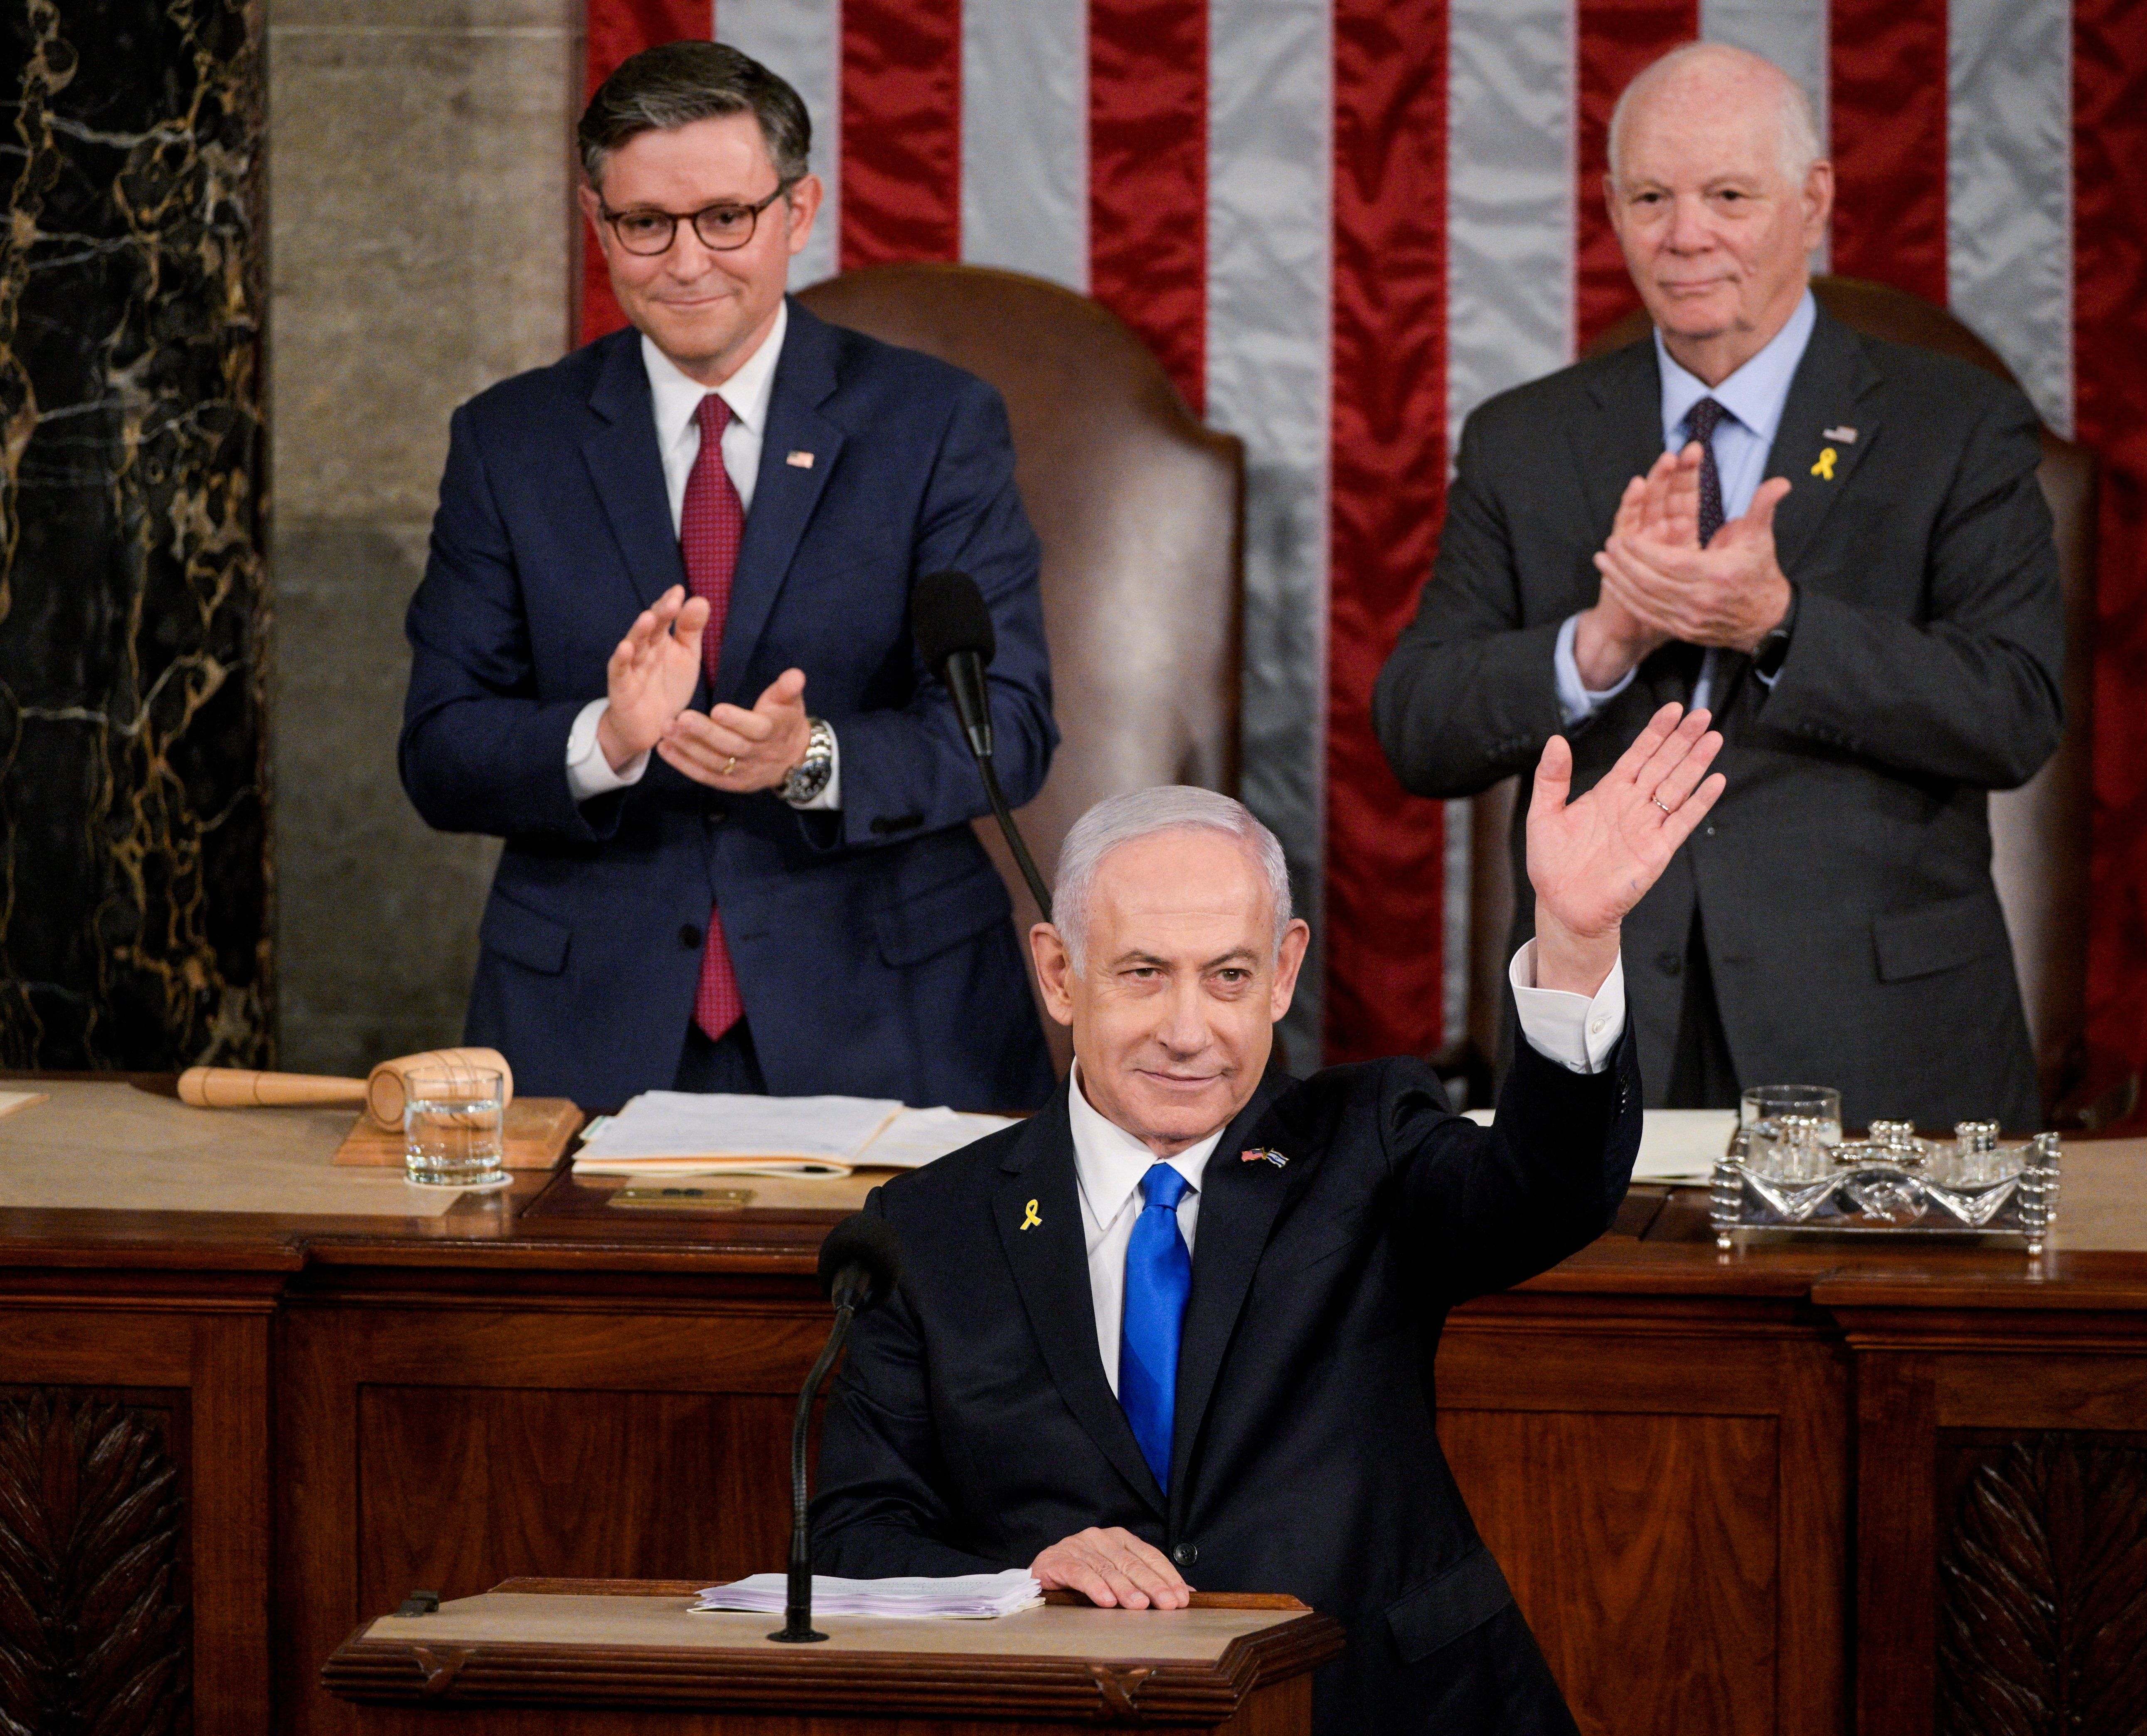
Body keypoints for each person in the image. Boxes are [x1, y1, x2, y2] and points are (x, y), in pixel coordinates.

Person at [812, 703, 1726, 1736]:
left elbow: (1544, 1194)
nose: (1188, 1031)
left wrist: (1572, 942)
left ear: (1284, 971)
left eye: (1230, 977)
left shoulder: (1366, 1144)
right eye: (1143, 973)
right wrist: (1020, 1575)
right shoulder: (925, 1231)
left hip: (1382, 1708)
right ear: (1059, 974)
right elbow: (854, 1538)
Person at [1374, 42, 2064, 1132]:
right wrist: (1598, 644)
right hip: (1608, 1028)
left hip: (1878, 1041)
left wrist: (1777, 625)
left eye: (1727, 196)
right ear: (1609, 207)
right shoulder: (1525, 438)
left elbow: (2014, 711)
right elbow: (1417, 728)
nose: (1684, 234)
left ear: (1812, 202)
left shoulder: (1953, 426)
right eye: (1650, 197)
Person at [399, 42, 1056, 1111]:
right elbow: (439, 748)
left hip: (888, 1014)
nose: (687, 261)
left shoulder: (933, 424)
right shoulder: (508, 441)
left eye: (725, 217)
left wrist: (811, 757)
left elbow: (1008, 729)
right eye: (645, 224)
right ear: (595, 220)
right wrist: (603, 741)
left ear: (798, 213)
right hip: (589, 1030)